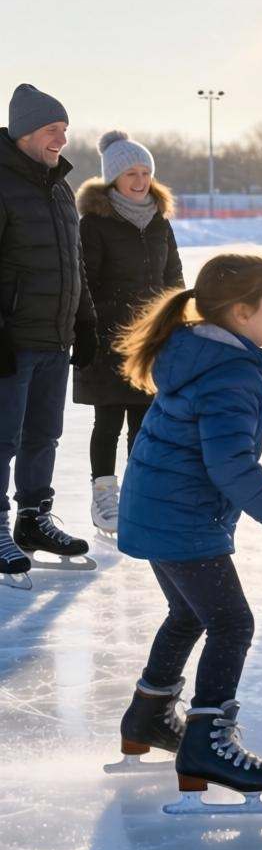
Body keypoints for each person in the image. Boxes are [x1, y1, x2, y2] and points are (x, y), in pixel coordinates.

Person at [112, 254, 262, 808]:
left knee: (189, 615)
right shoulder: (230, 374)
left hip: (156, 508)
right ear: (244, 313)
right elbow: (230, 464)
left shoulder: (197, 351)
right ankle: (207, 745)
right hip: (183, 518)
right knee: (231, 624)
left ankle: (148, 716)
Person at [0, 84, 96, 587]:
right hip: (12, 339)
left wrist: (85, 321)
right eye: (51, 130)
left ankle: (32, 519)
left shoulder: (60, 187)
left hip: (54, 338)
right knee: (2, 439)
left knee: (44, 436)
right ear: (24, 133)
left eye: (63, 130)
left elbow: (72, 262)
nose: (61, 138)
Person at [74, 130, 183, 536]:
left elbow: (173, 278)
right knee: (108, 422)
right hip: (107, 340)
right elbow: (85, 281)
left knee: (145, 423)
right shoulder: (95, 224)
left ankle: (139, 493)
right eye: (130, 174)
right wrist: (89, 329)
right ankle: (105, 495)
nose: (139, 181)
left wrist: (175, 321)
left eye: (145, 172)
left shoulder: (159, 223)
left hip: (151, 340)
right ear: (112, 179)